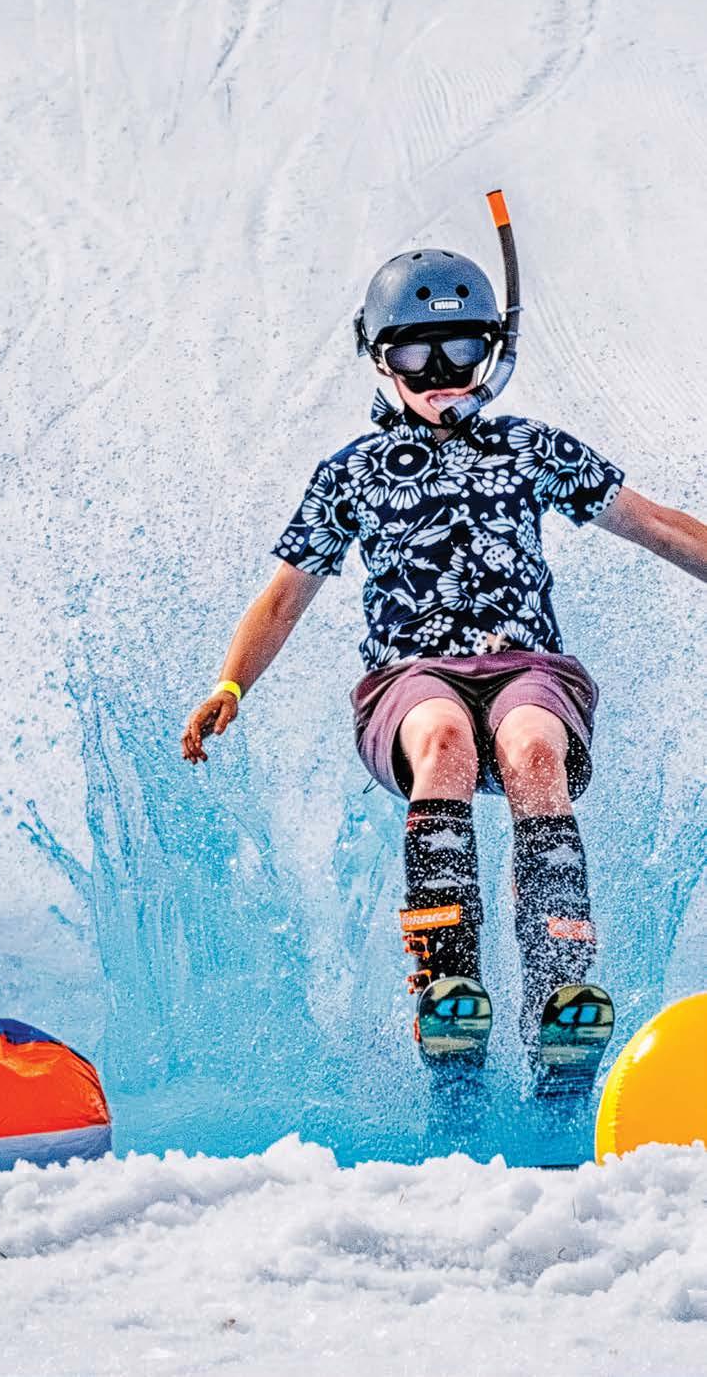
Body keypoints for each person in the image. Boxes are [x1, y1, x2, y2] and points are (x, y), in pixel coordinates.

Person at [180, 246, 707, 1057]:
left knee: (532, 747)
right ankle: (446, 983)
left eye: (459, 351)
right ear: (378, 360)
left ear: (490, 352)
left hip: (528, 669)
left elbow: (657, 526)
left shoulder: (530, 449)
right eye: (413, 356)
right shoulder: (352, 473)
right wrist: (230, 684)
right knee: (442, 736)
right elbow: (283, 598)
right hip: (410, 678)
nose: (438, 376)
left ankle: (557, 986)